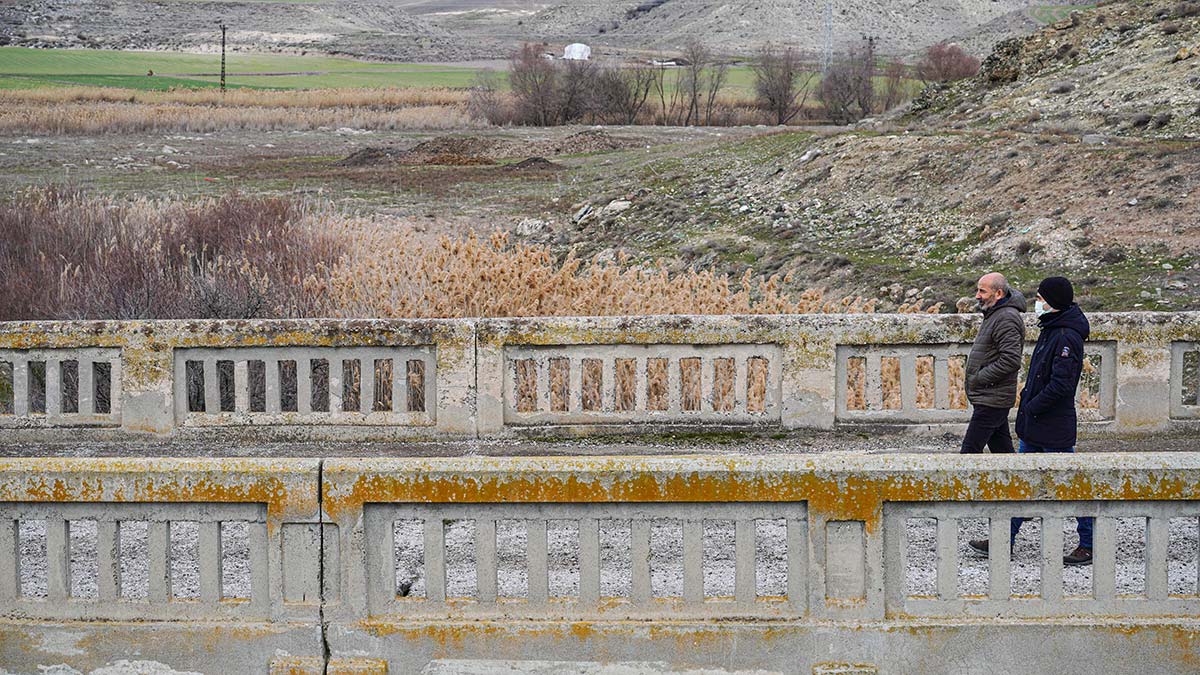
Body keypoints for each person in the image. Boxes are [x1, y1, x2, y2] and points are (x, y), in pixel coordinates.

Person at [970, 276, 1093, 566]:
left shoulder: (1066, 337)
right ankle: (1004, 539)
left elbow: (1061, 385)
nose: (1036, 303)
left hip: (1052, 425)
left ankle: (1089, 543)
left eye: (1040, 298)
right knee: (1020, 484)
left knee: (1071, 485)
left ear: (1053, 302)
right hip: (1036, 424)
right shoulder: (1052, 329)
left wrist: (1032, 405)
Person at [960, 272, 1025, 454]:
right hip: (993, 397)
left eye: (982, 291)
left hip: (992, 399)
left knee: (969, 454)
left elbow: (1011, 359)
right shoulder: (995, 314)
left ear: (998, 294)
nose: (977, 295)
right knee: (1002, 453)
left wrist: (980, 378)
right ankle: (1014, 482)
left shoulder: (1006, 317)